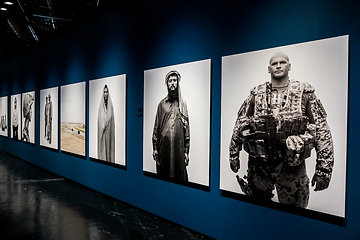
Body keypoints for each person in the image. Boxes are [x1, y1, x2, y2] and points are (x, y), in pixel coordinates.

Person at [229, 52, 334, 208]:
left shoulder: (305, 94)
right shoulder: (255, 95)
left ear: (289, 66)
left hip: (291, 168)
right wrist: (233, 155)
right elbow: (240, 124)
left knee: (295, 216)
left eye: (282, 62)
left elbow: (322, 132)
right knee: (256, 212)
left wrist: (323, 171)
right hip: (259, 167)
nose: (278, 66)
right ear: (269, 69)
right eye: (274, 63)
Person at [152, 70, 190, 181]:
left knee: (179, 177)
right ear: (167, 83)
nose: (172, 83)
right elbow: (156, 127)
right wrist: (155, 148)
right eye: (170, 81)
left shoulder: (182, 105)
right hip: (163, 148)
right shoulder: (162, 104)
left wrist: (186, 151)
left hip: (178, 148)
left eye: (174, 80)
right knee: (163, 177)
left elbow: (187, 129)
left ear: (178, 83)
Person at [97, 85, 115, 163]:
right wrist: (103, 126)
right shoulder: (100, 107)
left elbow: (112, 122)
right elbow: (100, 121)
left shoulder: (111, 106)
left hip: (109, 135)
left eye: (107, 92)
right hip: (102, 136)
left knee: (109, 153)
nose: (105, 93)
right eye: (104, 92)